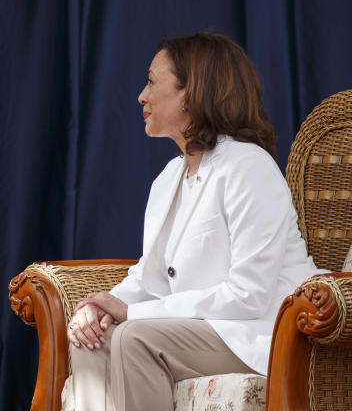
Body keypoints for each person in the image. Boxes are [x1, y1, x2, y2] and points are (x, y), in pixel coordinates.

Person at [67, 32, 324, 410]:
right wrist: (102, 306)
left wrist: (133, 314)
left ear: (189, 94)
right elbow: (147, 276)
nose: (142, 95)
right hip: (207, 331)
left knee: (134, 338)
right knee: (91, 340)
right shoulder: (169, 177)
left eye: (152, 82)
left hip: (262, 334)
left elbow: (248, 294)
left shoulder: (248, 166)